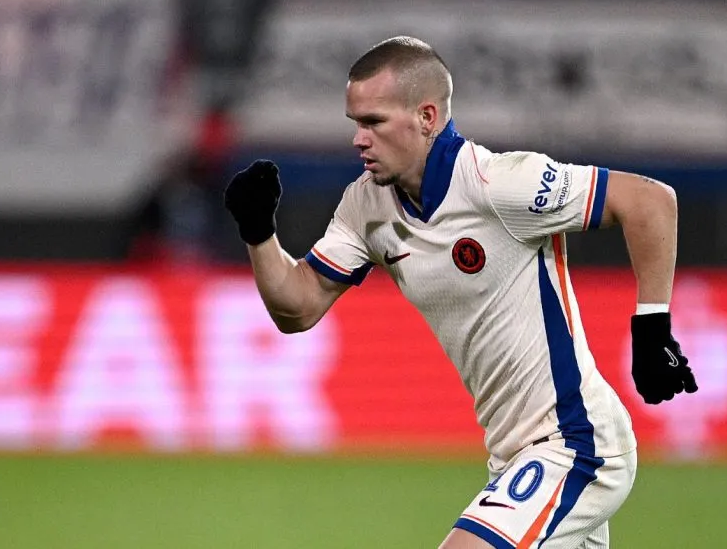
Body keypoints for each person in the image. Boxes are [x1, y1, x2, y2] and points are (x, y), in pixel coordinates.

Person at [223, 36, 697, 549]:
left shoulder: (500, 183)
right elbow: (299, 306)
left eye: (374, 122)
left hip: (577, 443)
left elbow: (650, 201)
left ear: (427, 116)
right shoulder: (366, 205)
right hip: (511, 455)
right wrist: (258, 232)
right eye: (355, 123)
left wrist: (652, 329)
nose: (359, 139)